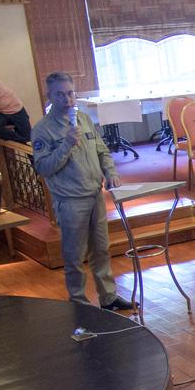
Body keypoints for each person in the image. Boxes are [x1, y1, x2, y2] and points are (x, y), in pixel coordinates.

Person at [31, 72, 133, 310]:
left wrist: (111, 172)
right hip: (70, 200)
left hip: (95, 195)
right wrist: (66, 144)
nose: (67, 99)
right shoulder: (42, 130)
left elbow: (101, 150)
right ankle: (78, 302)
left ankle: (108, 297)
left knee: (101, 249)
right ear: (50, 96)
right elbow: (44, 167)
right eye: (60, 94)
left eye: (70, 93)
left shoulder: (84, 119)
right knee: (75, 256)